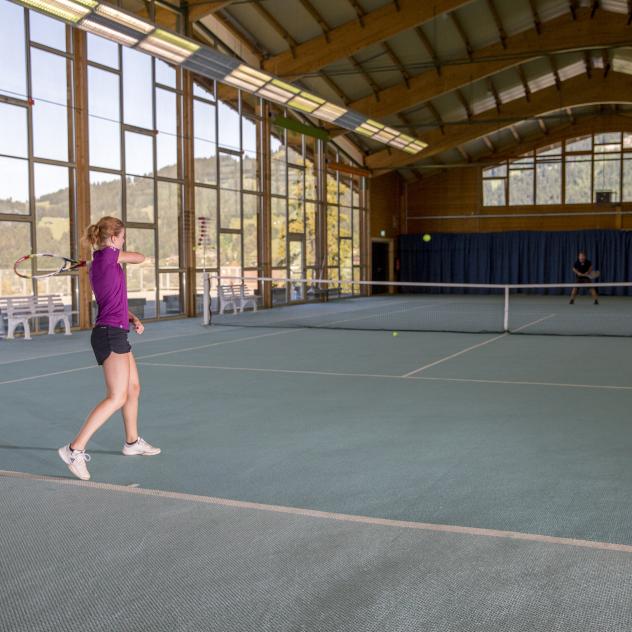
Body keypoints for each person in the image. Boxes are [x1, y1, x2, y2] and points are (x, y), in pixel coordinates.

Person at [58, 216, 160, 481]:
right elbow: (141, 257)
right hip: (108, 335)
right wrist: (119, 253)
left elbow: (113, 300)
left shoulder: (102, 262)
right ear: (114, 238)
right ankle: (74, 449)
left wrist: (133, 317)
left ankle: (131, 442)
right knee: (116, 396)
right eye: (122, 236)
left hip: (117, 330)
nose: (124, 240)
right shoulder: (108, 258)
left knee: (133, 389)